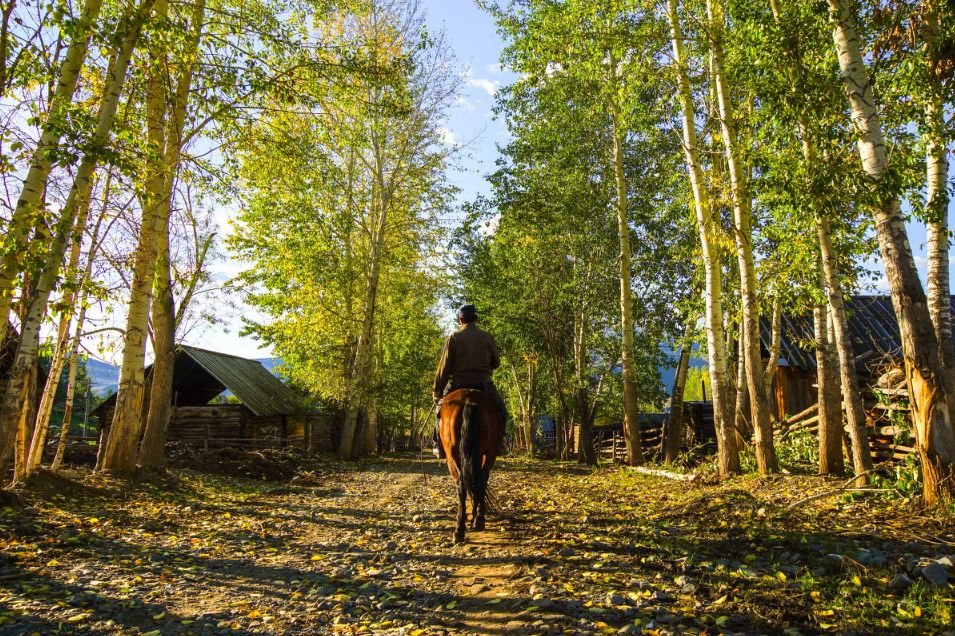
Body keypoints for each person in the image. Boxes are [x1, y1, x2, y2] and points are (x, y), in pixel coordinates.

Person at [432, 304, 508, 459]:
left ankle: (438, 444)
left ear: (461, 320)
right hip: (483, 385)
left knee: (439, 411)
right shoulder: (487, 336)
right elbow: (496, 362)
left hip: (457, 385)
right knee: (502, 411)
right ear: (476, 319)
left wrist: (437, 391)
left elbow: (444, 366)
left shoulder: (454, 337)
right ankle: (500, 442)